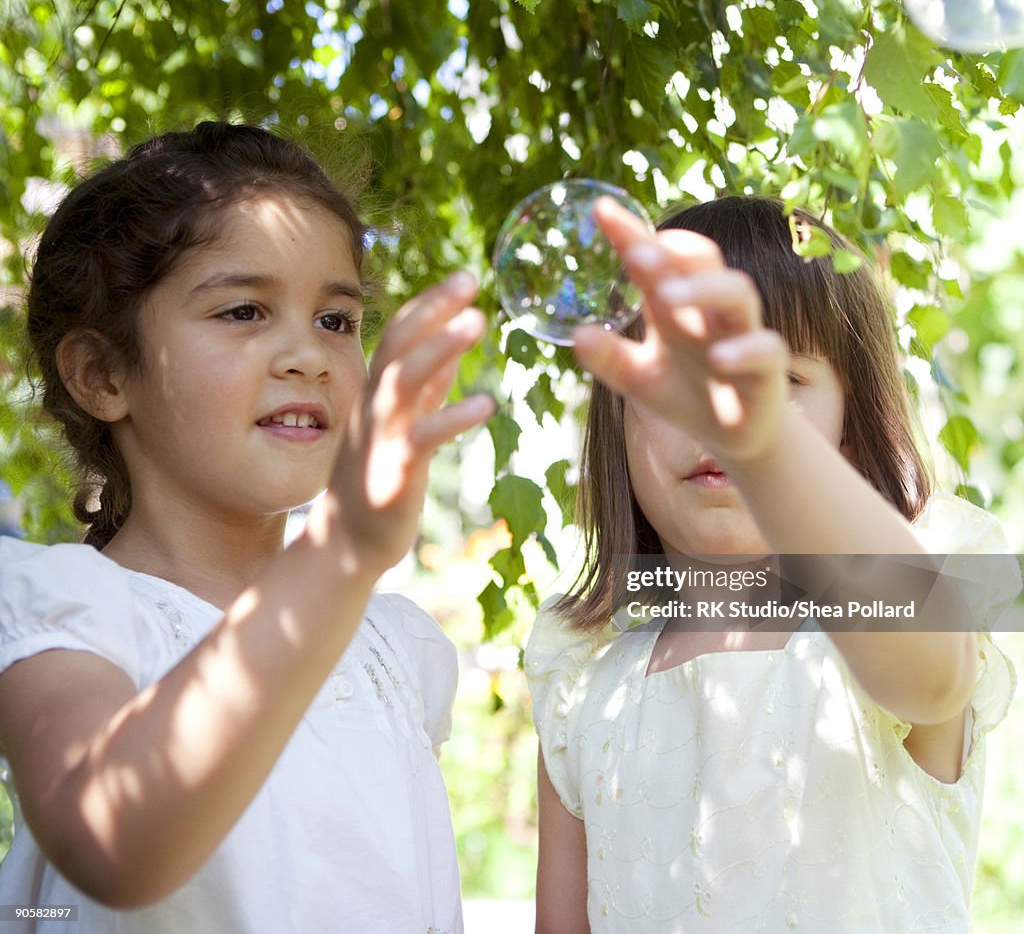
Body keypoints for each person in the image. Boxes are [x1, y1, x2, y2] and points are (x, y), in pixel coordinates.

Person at [0, 121, 496, 933]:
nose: (308, 353)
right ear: (102, 375)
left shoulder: (393, 649)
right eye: (243, 311)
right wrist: (341, 555)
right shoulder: (60, 615)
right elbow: (112, 837)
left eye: (337, 320)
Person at [526, 195, 1019, 932]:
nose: (719, 413)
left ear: (851, 428)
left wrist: (770, 453)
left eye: (774, 383)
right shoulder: (585, 675)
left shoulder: (894, 598)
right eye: (675, 380)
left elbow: (932, 675)